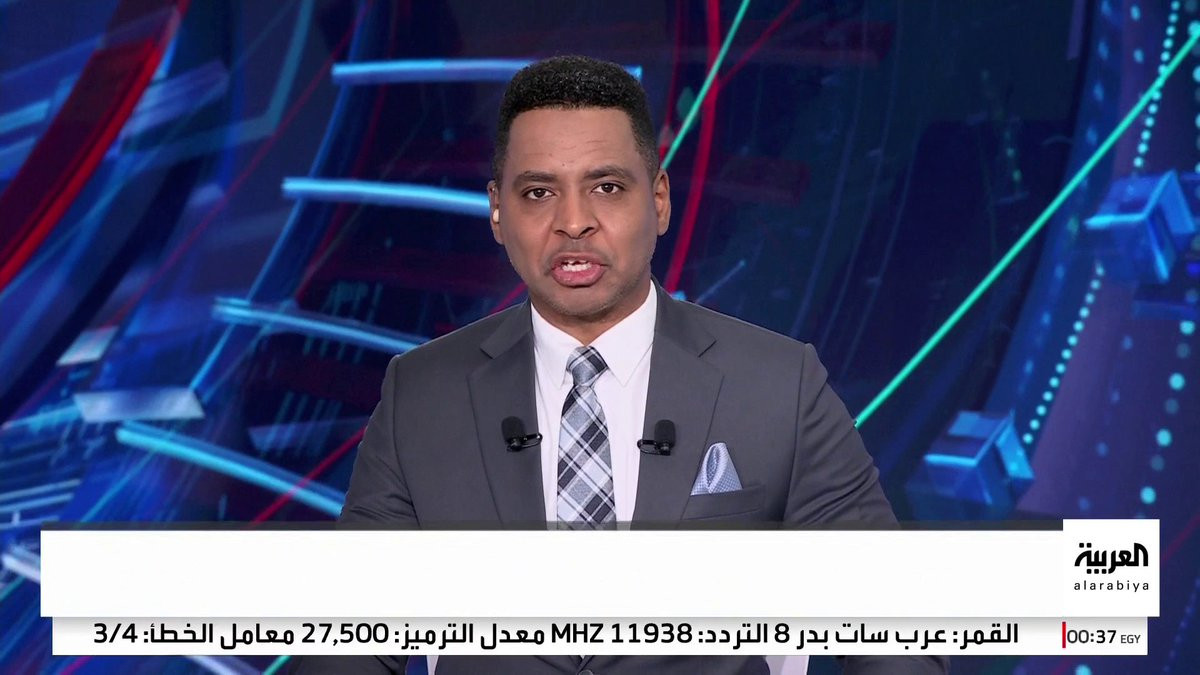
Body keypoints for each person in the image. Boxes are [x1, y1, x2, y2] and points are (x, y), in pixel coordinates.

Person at [294, 55, 947, 675]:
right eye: (538, 192)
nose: (573, 222)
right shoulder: (420, 395)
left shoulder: (780, 386)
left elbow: (893, 637)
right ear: (496, 212)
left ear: (658, 199)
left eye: (606, 187)